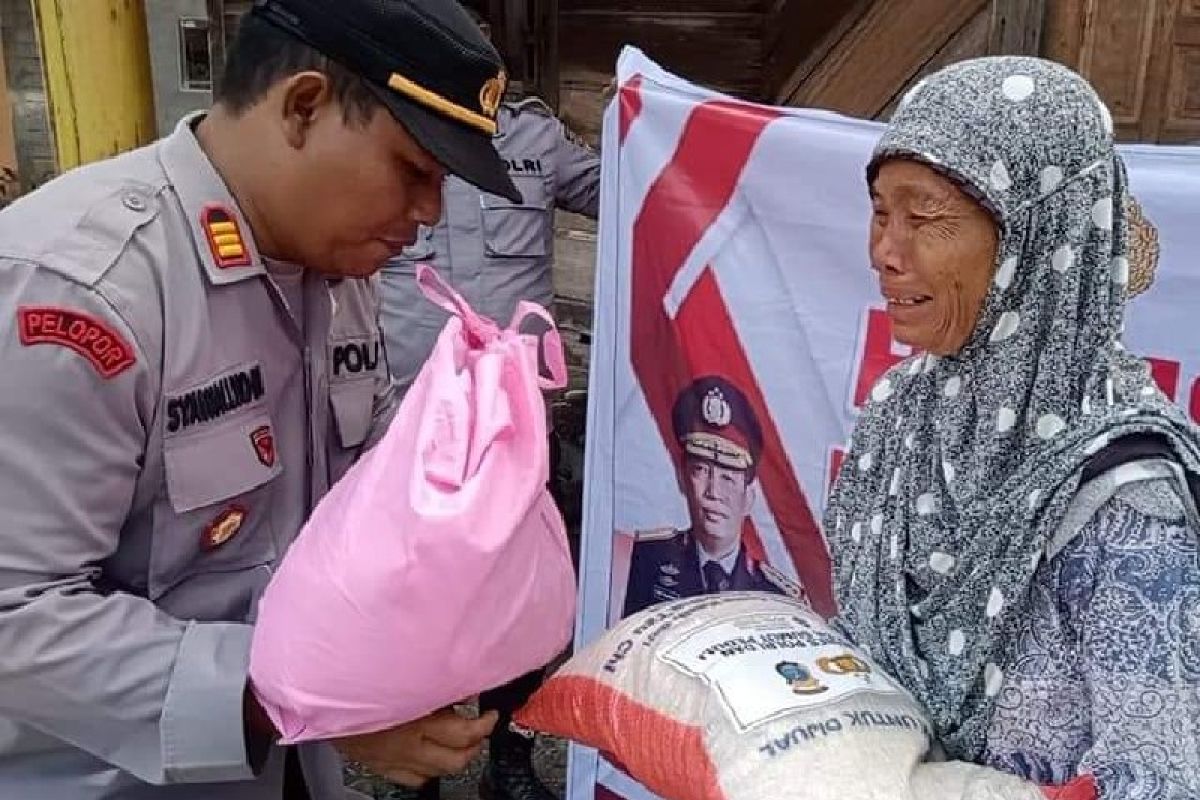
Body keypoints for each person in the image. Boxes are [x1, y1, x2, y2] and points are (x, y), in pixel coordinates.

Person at [0, 0, 525, 797]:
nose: (429, 215)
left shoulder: (339, 277)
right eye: (414, 171)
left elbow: (352, 500)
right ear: (303, 106)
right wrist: (296, 698)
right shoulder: (85, 291)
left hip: (290, 771)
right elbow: (16, 614)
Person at [825, 56, 1200, 798]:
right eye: (879, 211)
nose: (885, 252)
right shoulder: (899, 417)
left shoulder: (1126, 504)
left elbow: (1161, 780)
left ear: (1035, 238)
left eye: (925, 216)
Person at [375, 9, 599, 800]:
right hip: (410, 418)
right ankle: (416, 769)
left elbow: (621, 192)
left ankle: (507, 754)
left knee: (513, 590)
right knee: (414, 594)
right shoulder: (389, 129)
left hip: (514, 418)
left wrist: (664, 127)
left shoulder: (533, 139)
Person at [622, 376, 799, 617]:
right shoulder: (648, 558)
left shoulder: (776, 597)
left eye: (728, 478)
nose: (713, 492)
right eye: (701, 471)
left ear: (749, 498)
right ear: (682, 480)